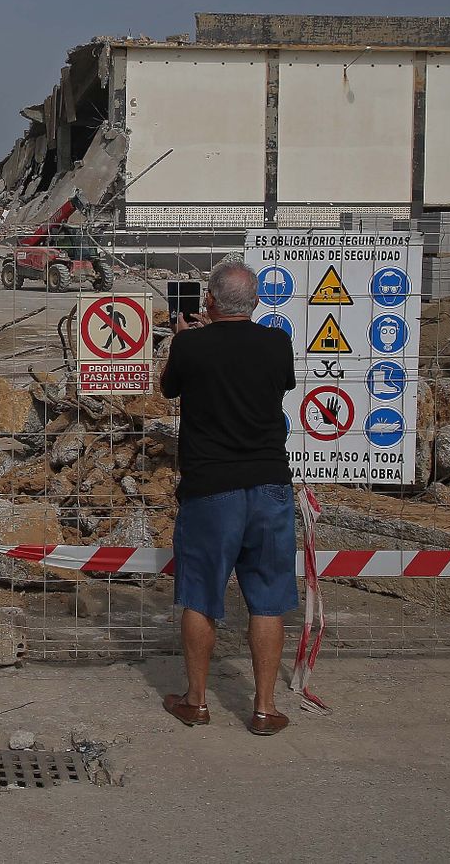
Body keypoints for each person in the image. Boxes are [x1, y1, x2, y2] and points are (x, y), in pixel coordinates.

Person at [157, 261, 298, 736]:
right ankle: (263, 707)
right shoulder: (278, 343)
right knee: (268, 600)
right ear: (256, 301)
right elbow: (274, 383)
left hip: (211, 489)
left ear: (209, 302)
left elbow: (170, 389)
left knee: (200, 595)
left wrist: (184, 336)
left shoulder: (191, 345)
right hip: (270, 484)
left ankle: (196, 701)